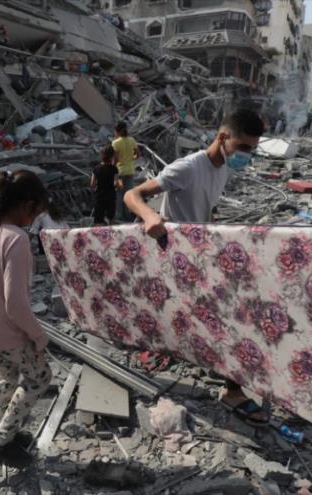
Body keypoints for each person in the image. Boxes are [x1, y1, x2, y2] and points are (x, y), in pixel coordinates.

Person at [124, 109, 269, 426]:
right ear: (222, 137)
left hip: (199, 257)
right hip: (176, 258)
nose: (246, 155)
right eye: (243, 148)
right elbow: (133, 194)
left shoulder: (222, 169)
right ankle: (232, 390)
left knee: (219, 316)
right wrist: (150, 217)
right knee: (228, 317)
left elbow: (207, 207)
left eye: (252, 150)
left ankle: (209, 363)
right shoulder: (188, 167)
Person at [0, 170, 52, 468]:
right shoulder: (16, 240)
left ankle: (5, 432)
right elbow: (16, 304)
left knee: (6, 376)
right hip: (7, 328)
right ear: (27, 204)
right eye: (37, 211)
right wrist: (38, 335)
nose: (36, 218)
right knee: (40, 378)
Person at [112, 121, 140, 222]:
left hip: (119, 172)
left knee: (119, 194)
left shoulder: (116, 142)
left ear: (117, 131)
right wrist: (130, 159)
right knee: (128, 193)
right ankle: (128, 216)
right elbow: (138, 155)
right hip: (130, 171)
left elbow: (115, 160)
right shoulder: (132, 140)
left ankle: (119, 216)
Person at [92, 144, 119, 225]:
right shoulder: (114, 169)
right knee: (111, 218)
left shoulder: (96, 169)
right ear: (112, 156)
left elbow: (92, 184)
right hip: (110, 195)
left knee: (98, 219)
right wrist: (118, 185)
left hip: (99, 195)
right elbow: (115, 183)